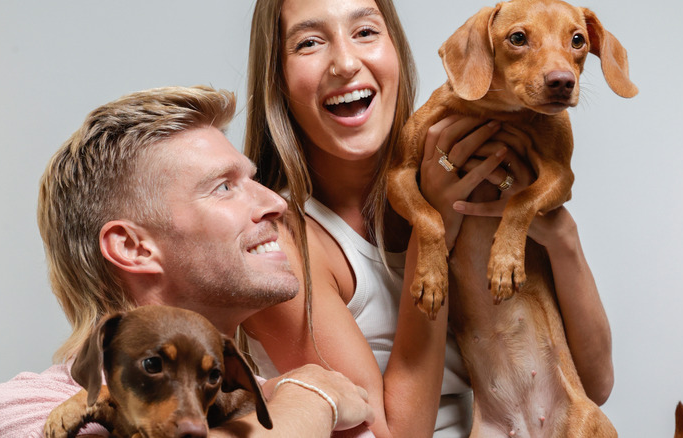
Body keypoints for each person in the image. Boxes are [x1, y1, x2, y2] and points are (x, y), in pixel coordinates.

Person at [240, 0, 614, 437]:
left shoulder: (484, 162)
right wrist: (434, 223)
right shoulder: (277, 246)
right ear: (277, 76)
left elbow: (596, 385)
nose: (344, 62)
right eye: (309, 42)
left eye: (365, 32)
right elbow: (394, 435)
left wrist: (561, 235)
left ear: (396, 49)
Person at [0, 85, 375, 438]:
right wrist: (312, 394)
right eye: (224, 187)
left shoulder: (285, 404)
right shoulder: (9, 415)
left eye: (254, 180)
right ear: (132, 247)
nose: (274, 203)